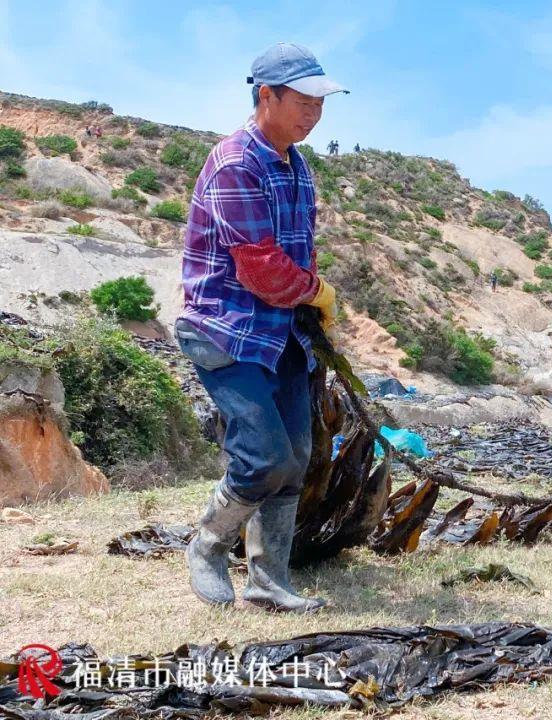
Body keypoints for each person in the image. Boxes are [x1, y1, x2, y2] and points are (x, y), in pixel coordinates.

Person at [176, 42, 348, 612]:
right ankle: (206, 543)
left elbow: (301, 250)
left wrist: (312, 302)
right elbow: (261, 268)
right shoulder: (235, 163)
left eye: (320, 103)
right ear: (265, 96)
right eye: (302, 101)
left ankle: (268, 583)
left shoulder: (297, 167)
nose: (313, 114)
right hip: (228, 330)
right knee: (262, 457)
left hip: (283, 335)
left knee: (296, 457)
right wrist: (316, 292)